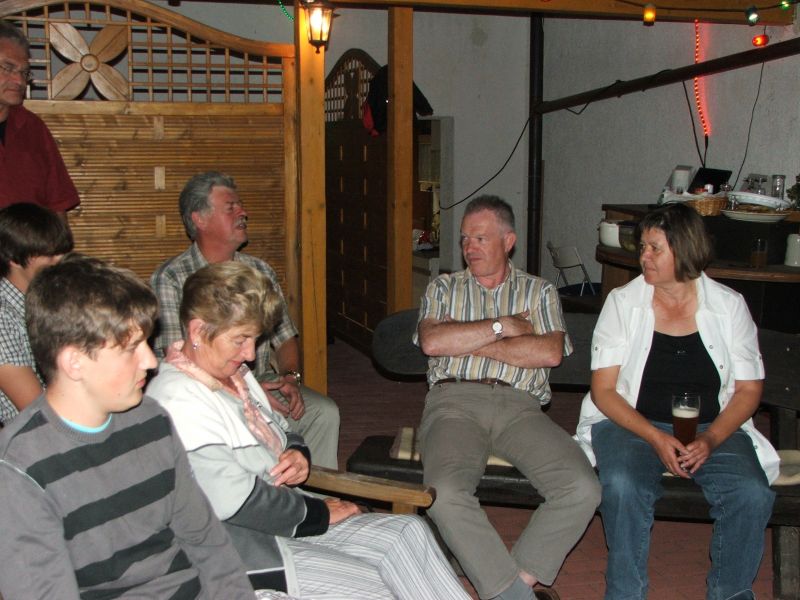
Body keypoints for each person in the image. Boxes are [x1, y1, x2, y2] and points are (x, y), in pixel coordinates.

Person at [146, 261, 471, 599]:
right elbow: (238, 503)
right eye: (240, 339)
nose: (250, 354)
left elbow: (285, 431)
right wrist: (320, 513)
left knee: (408, 532)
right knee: (375, 586)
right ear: (197, 331)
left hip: (283, 519)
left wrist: (297, 453)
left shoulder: (236, 377)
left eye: (254, 340)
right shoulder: (178, 400)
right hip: (240, 551)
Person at [0, 255, 256, 599]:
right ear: (75, 362)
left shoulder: (151, 419)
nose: (150, 361)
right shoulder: (18, 468)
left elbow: (207, 542)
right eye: (132, 348)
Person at [575, 203, 779, 600]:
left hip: (712, 426)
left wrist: (711, 439)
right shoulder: (623, 303)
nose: (644, 257)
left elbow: (748, 390)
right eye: (643, 247)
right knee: (623, 485)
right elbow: (604, 391)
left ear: (685, 250)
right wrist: (655, 437)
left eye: (655, 248)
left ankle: (730, 594)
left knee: (751, 494)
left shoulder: (728, 305)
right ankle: (625, 594)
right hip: (632, 423)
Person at [414, 195, 601, 600]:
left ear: (508, 241)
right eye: (465, 239)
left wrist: (467, 339)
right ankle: (514, 595)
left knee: (581, 487)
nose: (469, 247)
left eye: (480, 238)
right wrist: (504, 326)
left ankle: (511, 582)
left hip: (521, 408)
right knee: (444, 492)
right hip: (454, 403)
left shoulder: (539, 291)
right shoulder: (443, 287)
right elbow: (432, 342)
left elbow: (549, 352)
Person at [151, 171, 340, 469]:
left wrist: (290, 378)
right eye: (231, 207)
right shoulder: (172, 278)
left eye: (240, 206)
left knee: (323, 413)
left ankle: (311, 491)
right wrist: (246, 394)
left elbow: (285, 338)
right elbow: (177, 359)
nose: (243, 213)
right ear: (199, 219)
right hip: (205, 387)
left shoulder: (259, 271)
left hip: (260, 380)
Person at [0, 202, 73, 425]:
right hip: (31, 434)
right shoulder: (3, 316)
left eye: (62, 252)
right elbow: (35, 408)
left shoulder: (49, 296)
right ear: (14, 258)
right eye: (50, 255)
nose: (60, 261)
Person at [0, 20, 80, 214]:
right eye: (8, 68)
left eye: (24, 72)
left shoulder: (32, 128)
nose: (19, 81)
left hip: (33, 234)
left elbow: (57, 208)